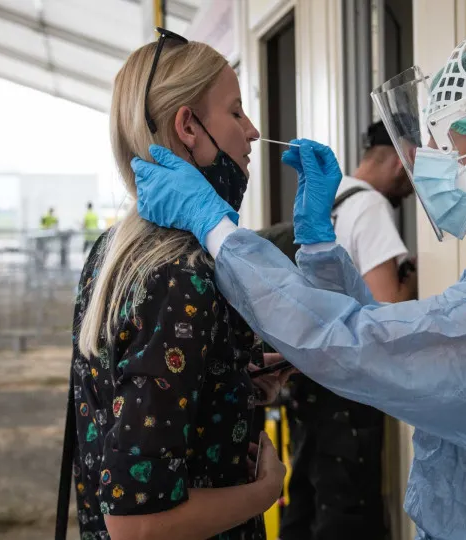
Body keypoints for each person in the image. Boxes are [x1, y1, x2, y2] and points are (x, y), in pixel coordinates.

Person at [131, 30, 466, 539]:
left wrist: (216, 227)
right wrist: (318, 245)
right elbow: (392, 342)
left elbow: (357, 345)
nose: (425, 157)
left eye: (441, 139)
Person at [67, 28, 288, 540]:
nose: (252, 131)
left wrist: (237, 385)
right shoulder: (180, 274)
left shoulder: (111, 252)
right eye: (236, 112)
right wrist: (266, 488)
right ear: (188, 125)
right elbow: (136, 526)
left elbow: (138, 396)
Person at [278, 120, 417, 540]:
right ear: (400, 160)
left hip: (307, 374)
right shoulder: (371, 205)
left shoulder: (331, 198)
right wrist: (410, 282)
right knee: (345, 514)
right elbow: (384, 307)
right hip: (348, 388)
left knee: (304, 498)